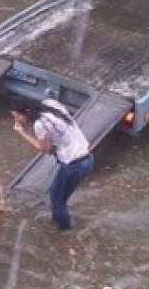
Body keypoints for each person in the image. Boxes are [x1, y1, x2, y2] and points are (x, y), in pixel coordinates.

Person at [8, 95, 94, 230]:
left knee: (57, 200)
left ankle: (65, 232)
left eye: (17, 116)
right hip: (87, 158)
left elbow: (44, 149)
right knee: (59, 197)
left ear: (27, 112)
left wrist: (22, 132)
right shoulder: (50, 104)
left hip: (73, 165)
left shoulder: (39, 125)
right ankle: (58, 220)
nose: (16, 120)